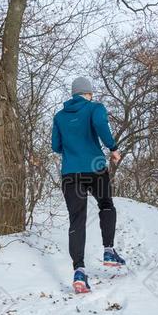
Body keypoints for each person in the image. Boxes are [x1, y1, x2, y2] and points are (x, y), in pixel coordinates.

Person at [51, 76, 126, 294]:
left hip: (70, 173)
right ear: (88, 93)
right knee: (106, 204)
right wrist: (112, 147)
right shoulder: (95, 108)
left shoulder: (59, 116)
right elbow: (101, 125)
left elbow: (56, 146)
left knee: (77, 220)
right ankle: (109, 250)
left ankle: (79, 272)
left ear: (73, 94)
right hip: (94, 168)